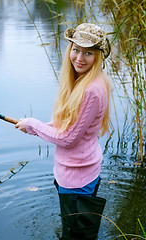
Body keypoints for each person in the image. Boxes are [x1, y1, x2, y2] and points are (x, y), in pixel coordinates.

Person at [15, 23, 111, 240]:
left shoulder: (92, 90)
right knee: (80, 229)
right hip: (80, 171)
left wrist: (33, 124)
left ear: (98, 56)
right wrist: (34, 127)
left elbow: (67, 138)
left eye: (88, 53)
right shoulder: (82, 81)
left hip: (77, 179)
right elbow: (67, 126)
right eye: (76, 49)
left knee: (75, 235)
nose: (79, 58)